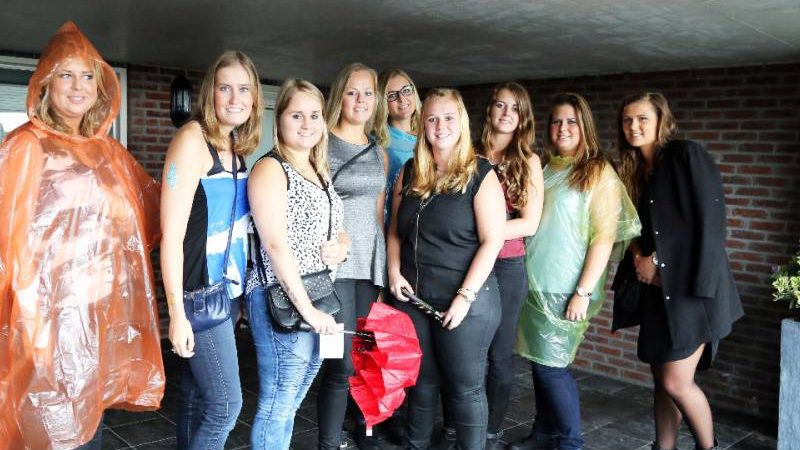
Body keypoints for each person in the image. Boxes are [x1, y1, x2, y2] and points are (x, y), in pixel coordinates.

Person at [0, 21, 164, 449]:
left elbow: (147, 211)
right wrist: (33, 323)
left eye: (88, 76)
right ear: (45, 84)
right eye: (66, 75)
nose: (78, 86)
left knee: (89, 417)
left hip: (100, 311)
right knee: (53, 424)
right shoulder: (26, 146)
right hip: (48, 315)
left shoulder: (108, 151)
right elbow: (10, 240)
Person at [612, 92, 743, 450]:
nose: (633, 126)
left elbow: (710, 223)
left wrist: (656, 260)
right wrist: (639, 257)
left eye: (642, 118)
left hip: (694, 291)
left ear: (661, 121)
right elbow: (629, 228)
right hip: (658, 294)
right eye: (627, 120)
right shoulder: (634, 171)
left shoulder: (686, 155)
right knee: (661, 380)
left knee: (676, 382)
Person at [510, 93, 640, 450]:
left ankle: (571, 442)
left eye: (571, 121)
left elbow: (604, 237)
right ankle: (543, 433)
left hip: (567, 287)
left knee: (552, 367)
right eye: (556, 121)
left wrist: (582, 292)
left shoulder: (598, 172)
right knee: (539, 361)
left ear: (585, 126)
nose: (563, 128)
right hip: (534, 282)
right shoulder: (546, 168)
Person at [388, 88, 506, 450]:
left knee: (464, 388)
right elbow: (394, 230)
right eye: (432, 119)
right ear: (422, 125)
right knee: (422, 383)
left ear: (462, 123)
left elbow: (492, 241)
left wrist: (464, 297)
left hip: (465, 300)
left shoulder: (480, 174)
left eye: (448, 118)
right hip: (414, 297)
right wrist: (394, 271)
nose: (440, 126)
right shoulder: (410, 171)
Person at [160, 51, 261, 449]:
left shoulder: (235, 145)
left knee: (195, 396)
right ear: (209, 93)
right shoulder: (192, 140)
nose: (235, 98)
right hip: (198, 294)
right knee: (225, 406)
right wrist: (176, 315)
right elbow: (171, 235)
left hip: (227, 293)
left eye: (244, 89)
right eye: (225, 88)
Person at [245, 79, 347, 450]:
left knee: (291, 400)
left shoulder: (318, 168)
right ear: (280, 120)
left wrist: (342, 247)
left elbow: (338, 227)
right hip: (283, 297)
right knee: (278, 402)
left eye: (315, 115)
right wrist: (308, 310)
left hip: (319, 295)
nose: (307, 124)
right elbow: (275, 244)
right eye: (296, 115)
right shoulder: (271, 169)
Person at [317, 62, 387, 450]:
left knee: (364, 357)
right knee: (339, 361)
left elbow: (377, 213)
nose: (360, 100)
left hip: (369, 265)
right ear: (339, 96)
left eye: (368, 93)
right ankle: (328, 443)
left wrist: (384, 269)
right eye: (352, 92)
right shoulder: (322, 143)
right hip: (336, 265)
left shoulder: (379, 150)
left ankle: (364, 431)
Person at [478, 82, 544, 450]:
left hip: (506, 267)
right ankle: (461, 426)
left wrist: (478, 233)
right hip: (468, 264)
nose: (506, 113)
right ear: (489, 110)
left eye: (515, 108)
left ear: (523, 117)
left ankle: (490, 431)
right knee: (465, 351)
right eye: (500, 105)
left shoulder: (527, 161)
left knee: (499, 354)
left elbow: (529, 224)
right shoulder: (469, 154)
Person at [374, 69, 422, 229]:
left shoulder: (430, 135)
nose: (402, 99)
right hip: (391, 226)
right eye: (392, 95)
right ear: (382, 102)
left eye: (406, 90)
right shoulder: (377, 142)